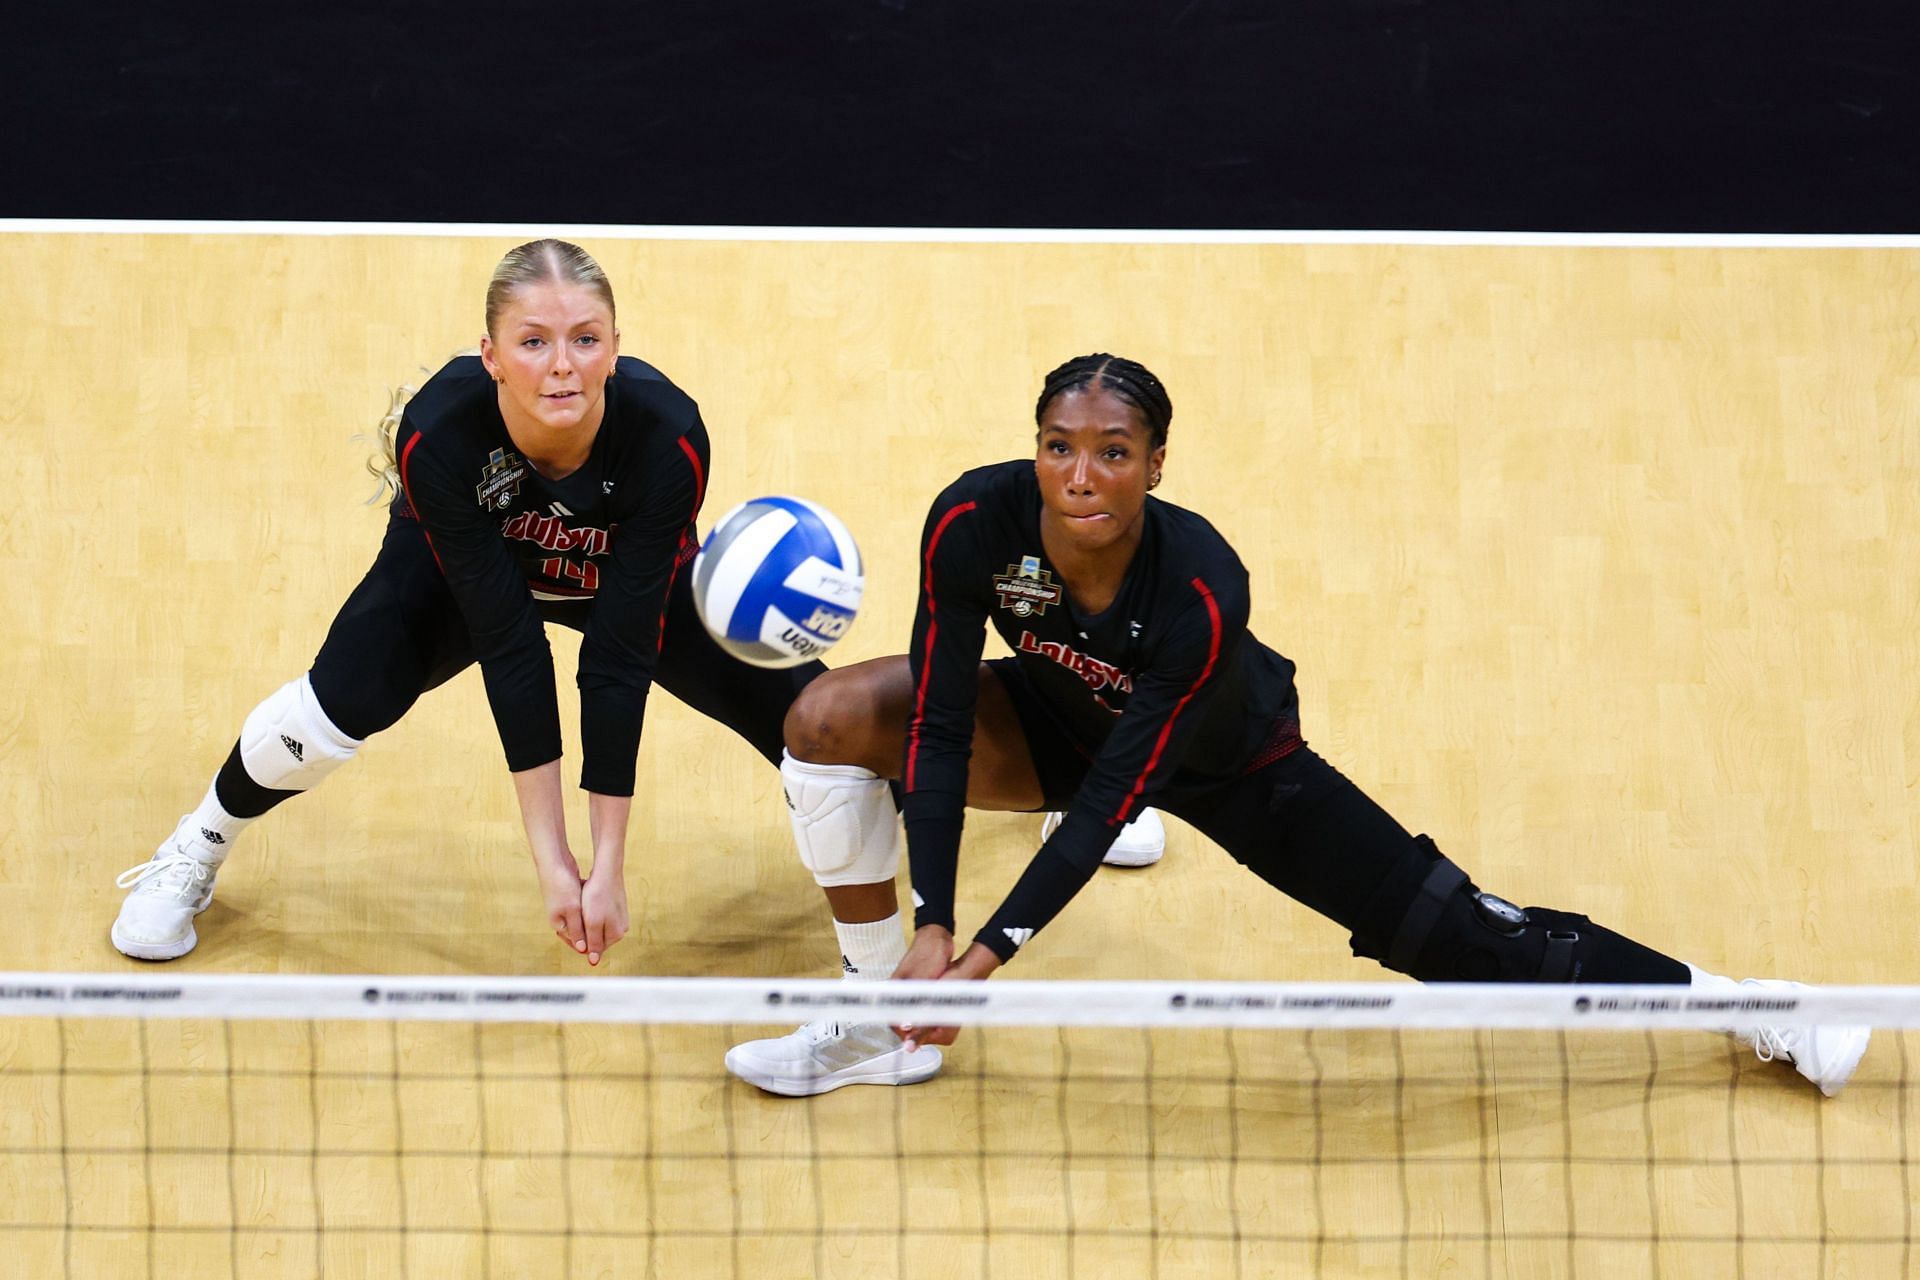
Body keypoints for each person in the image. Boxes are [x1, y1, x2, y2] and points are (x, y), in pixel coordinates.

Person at [725, 353, 1872, 1098]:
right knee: (830, 716)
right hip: (1061, 723)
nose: (1082, 474)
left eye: (1113, 452)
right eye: (1060, 445)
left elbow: (1128, 779)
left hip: (1227, 761)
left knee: (1473, 943)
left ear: (1155, 465)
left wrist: (988, 954)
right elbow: (932, 719)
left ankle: (1758, 1005)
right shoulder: (975, 520)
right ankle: (882, 1011)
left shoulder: (1201, 588)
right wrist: (935, 919)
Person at [112, 239, 819, 966]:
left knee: (820, 724)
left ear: (615, 350)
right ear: (491, 356)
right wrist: (552, 862)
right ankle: (195, 845)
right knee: (338, 702)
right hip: (471, 568)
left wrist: (607, 864)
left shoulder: (667, 437)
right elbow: (510, 649)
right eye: (533, 342)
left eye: (585, 339)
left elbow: (619, 656)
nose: (562, 365)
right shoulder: (442, 434)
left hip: (616, 573)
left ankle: (884, 880)